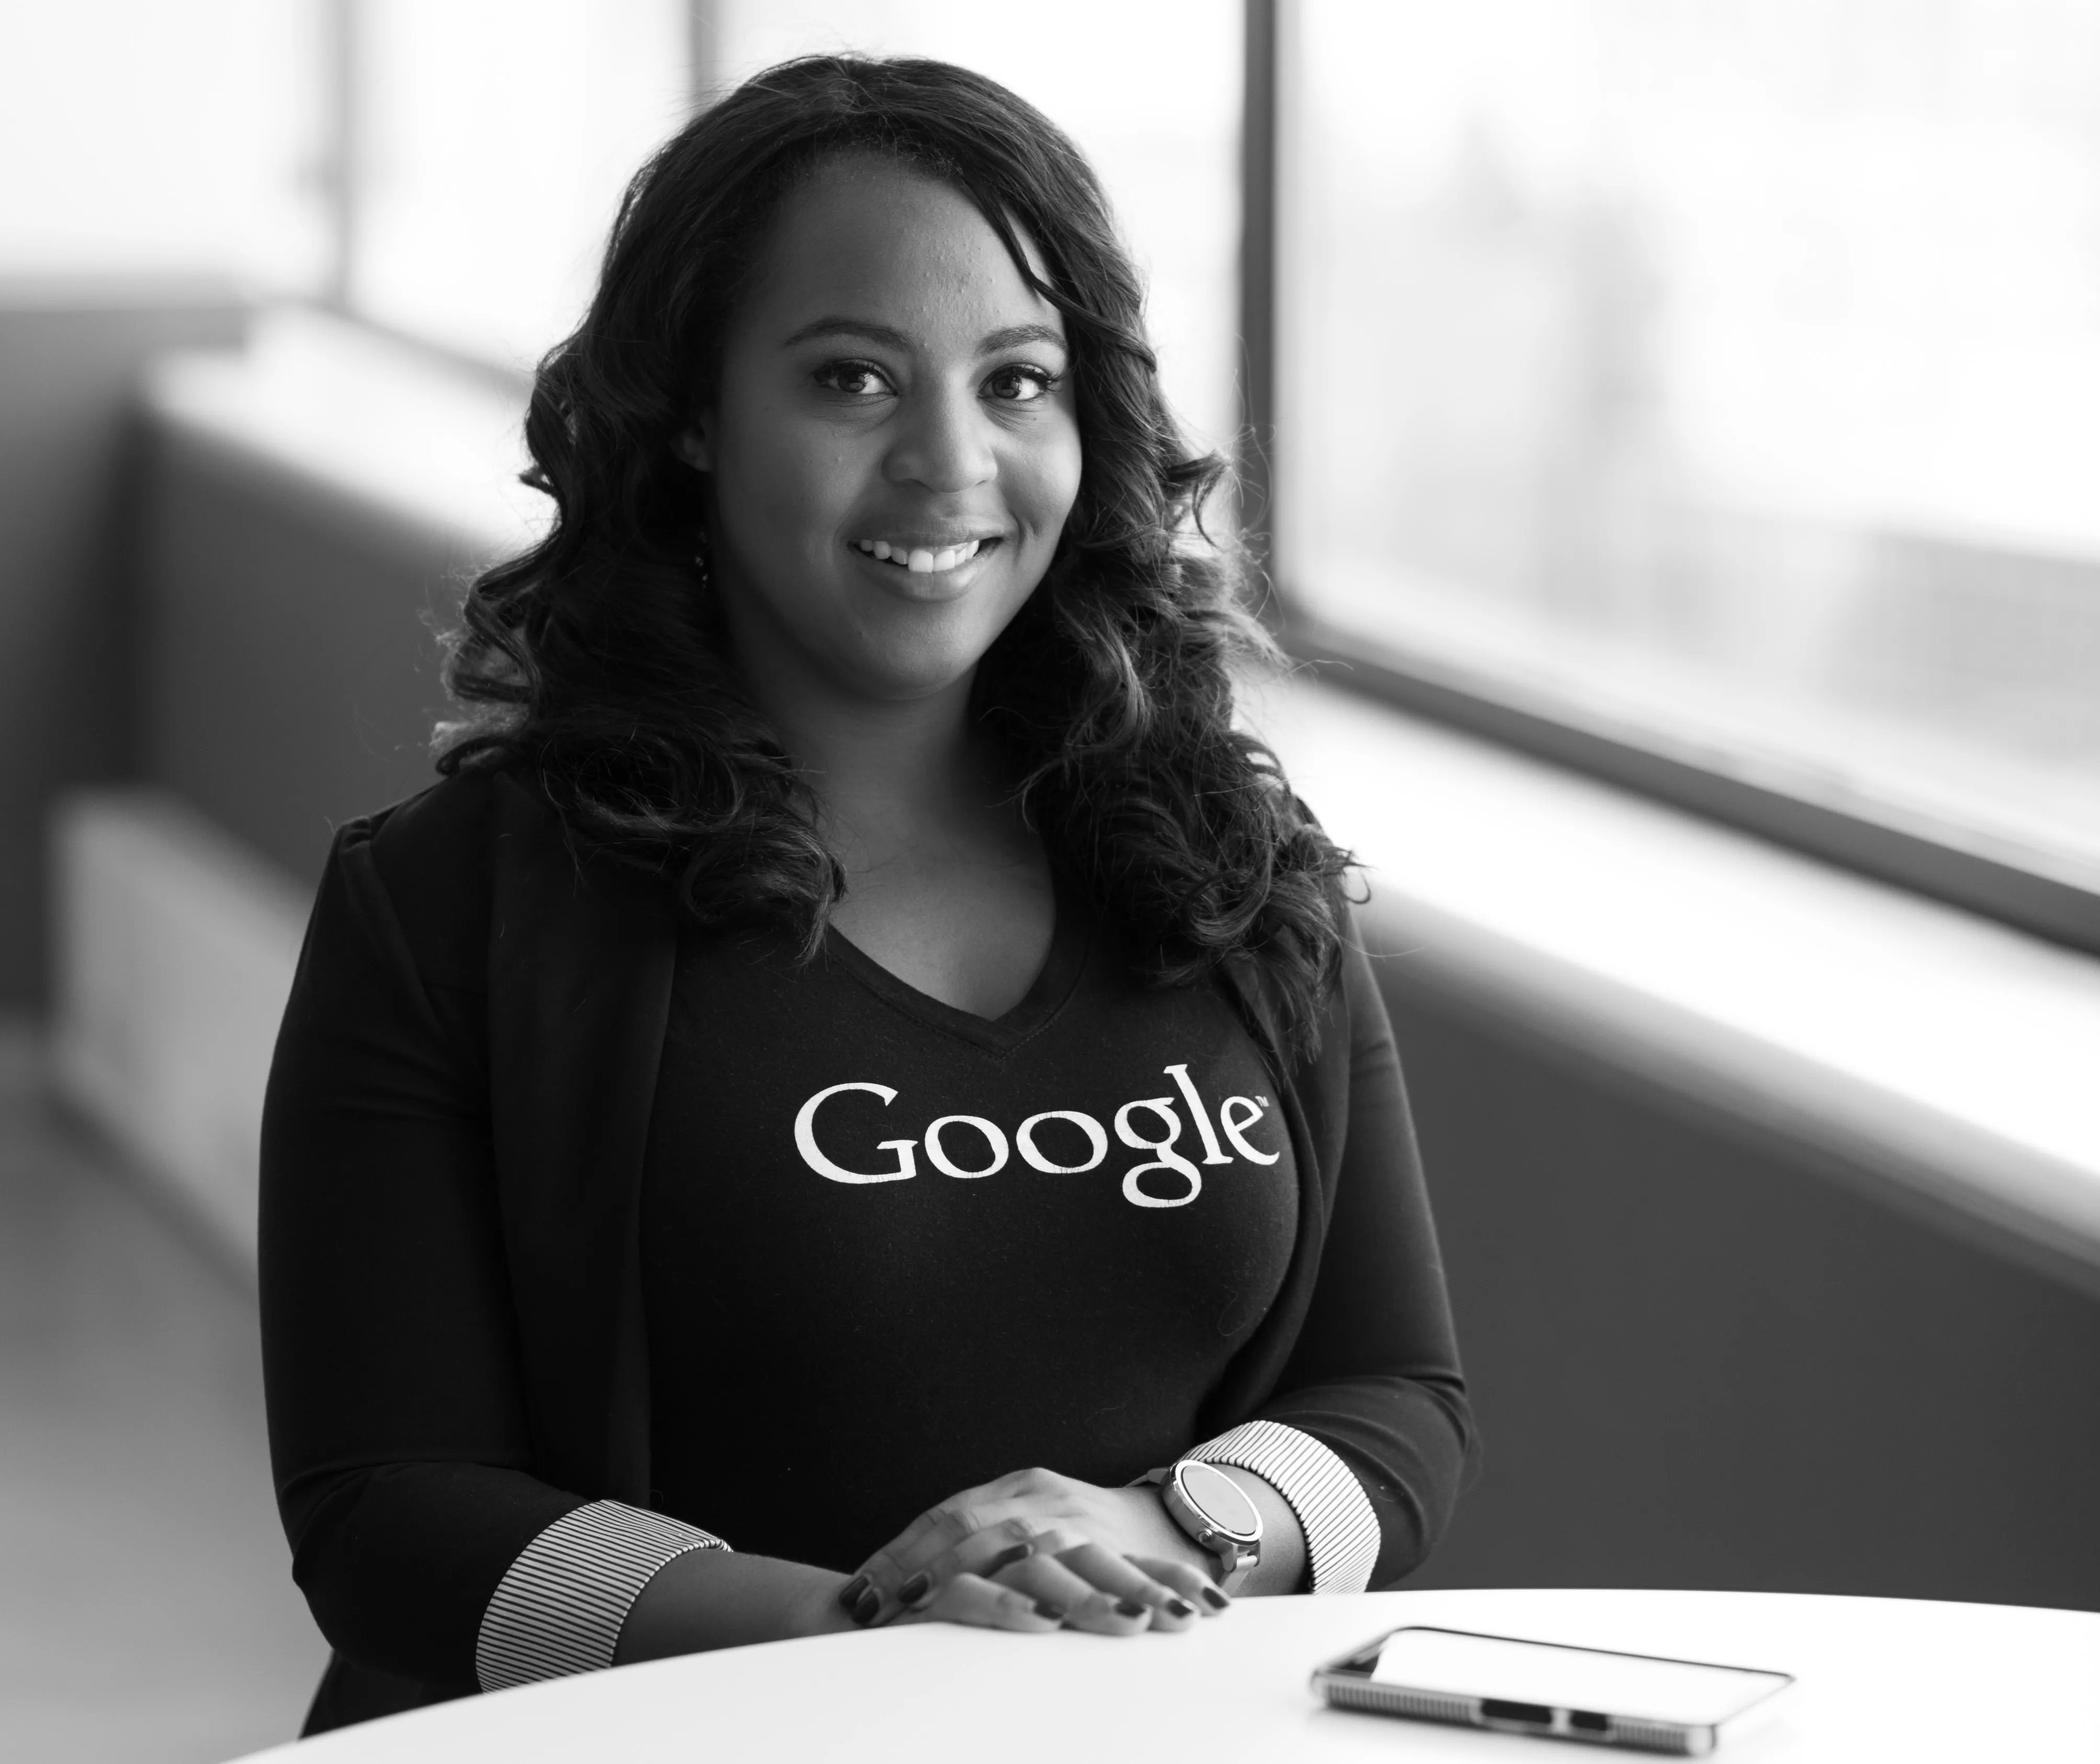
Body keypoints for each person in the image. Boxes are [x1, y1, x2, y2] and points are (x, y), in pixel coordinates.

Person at [259, 53, 1472, 1737]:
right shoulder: (457, 903)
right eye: (850, 380)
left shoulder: (1229, 863)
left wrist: (1166, 1528)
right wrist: (863, 1624)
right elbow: (384, 1506)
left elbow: (1395, 1393)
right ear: (691, 416)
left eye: (1018, 379)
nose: (950, 464)